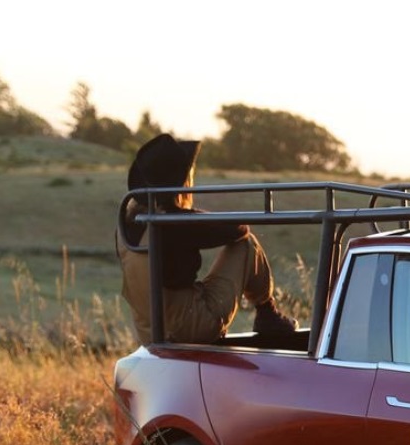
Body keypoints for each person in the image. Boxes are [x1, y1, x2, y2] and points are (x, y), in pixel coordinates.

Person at [117, 133, 296, 345]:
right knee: (247, 245)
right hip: (191, 328)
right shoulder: (171, 224)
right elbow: (238, 229)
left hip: (149, 334)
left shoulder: (126, 225)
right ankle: (267, 313)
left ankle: (266, 314)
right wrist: (191, 214)